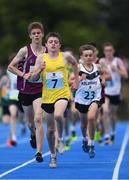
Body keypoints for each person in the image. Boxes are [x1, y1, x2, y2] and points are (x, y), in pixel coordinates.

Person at [29, 32, 79, 168]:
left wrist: (77, 81)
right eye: (50, 42)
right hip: (47, 97)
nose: (53, 44)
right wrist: (39, 70)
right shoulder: (41, 58)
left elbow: (76, 65)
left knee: (58, 115)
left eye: (56, 42)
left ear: (59, 45)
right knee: (50, 130)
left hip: (62, 93)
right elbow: (33, 78)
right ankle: (52, 156)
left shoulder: (65, 56)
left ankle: (61, 139)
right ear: (46, 45)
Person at [8, 22, 45, 162]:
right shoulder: (24, 50)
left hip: (40, 90)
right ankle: (33, 134)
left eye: (38, 33)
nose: (36, 35)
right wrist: (23, 75)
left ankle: (39, 152)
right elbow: (10, 67)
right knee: (30, 123)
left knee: (38, 119)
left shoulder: (47, 51)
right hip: (25, 90)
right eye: (34, 33)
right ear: (30, 36)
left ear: (42, 34)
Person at [75, 44, 105, 158]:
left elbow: (104, 74)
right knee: (83, 124)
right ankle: (84, 138)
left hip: (95, 98)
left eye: (90, 55)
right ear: (82, 57)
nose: (88, 57)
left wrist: (103, 80)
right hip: (81, 100)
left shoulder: (98, 67)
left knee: (91, 118)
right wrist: (78, 79)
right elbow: (71, 83)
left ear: (93, 56)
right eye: (86, 55)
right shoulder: (78, 68)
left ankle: (91, 144)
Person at [100, 42, 128, 144]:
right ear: (104, 52)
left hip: (115, 92)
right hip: (105, 91)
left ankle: (113, 132)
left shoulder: (118, 61)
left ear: (113, 51)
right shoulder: (102, 61)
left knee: (113, 115)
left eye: (110, 50)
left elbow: (125, 75)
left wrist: (116, 69)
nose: (108, 52)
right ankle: (107, 136)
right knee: (106, 112)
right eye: (106, 51)